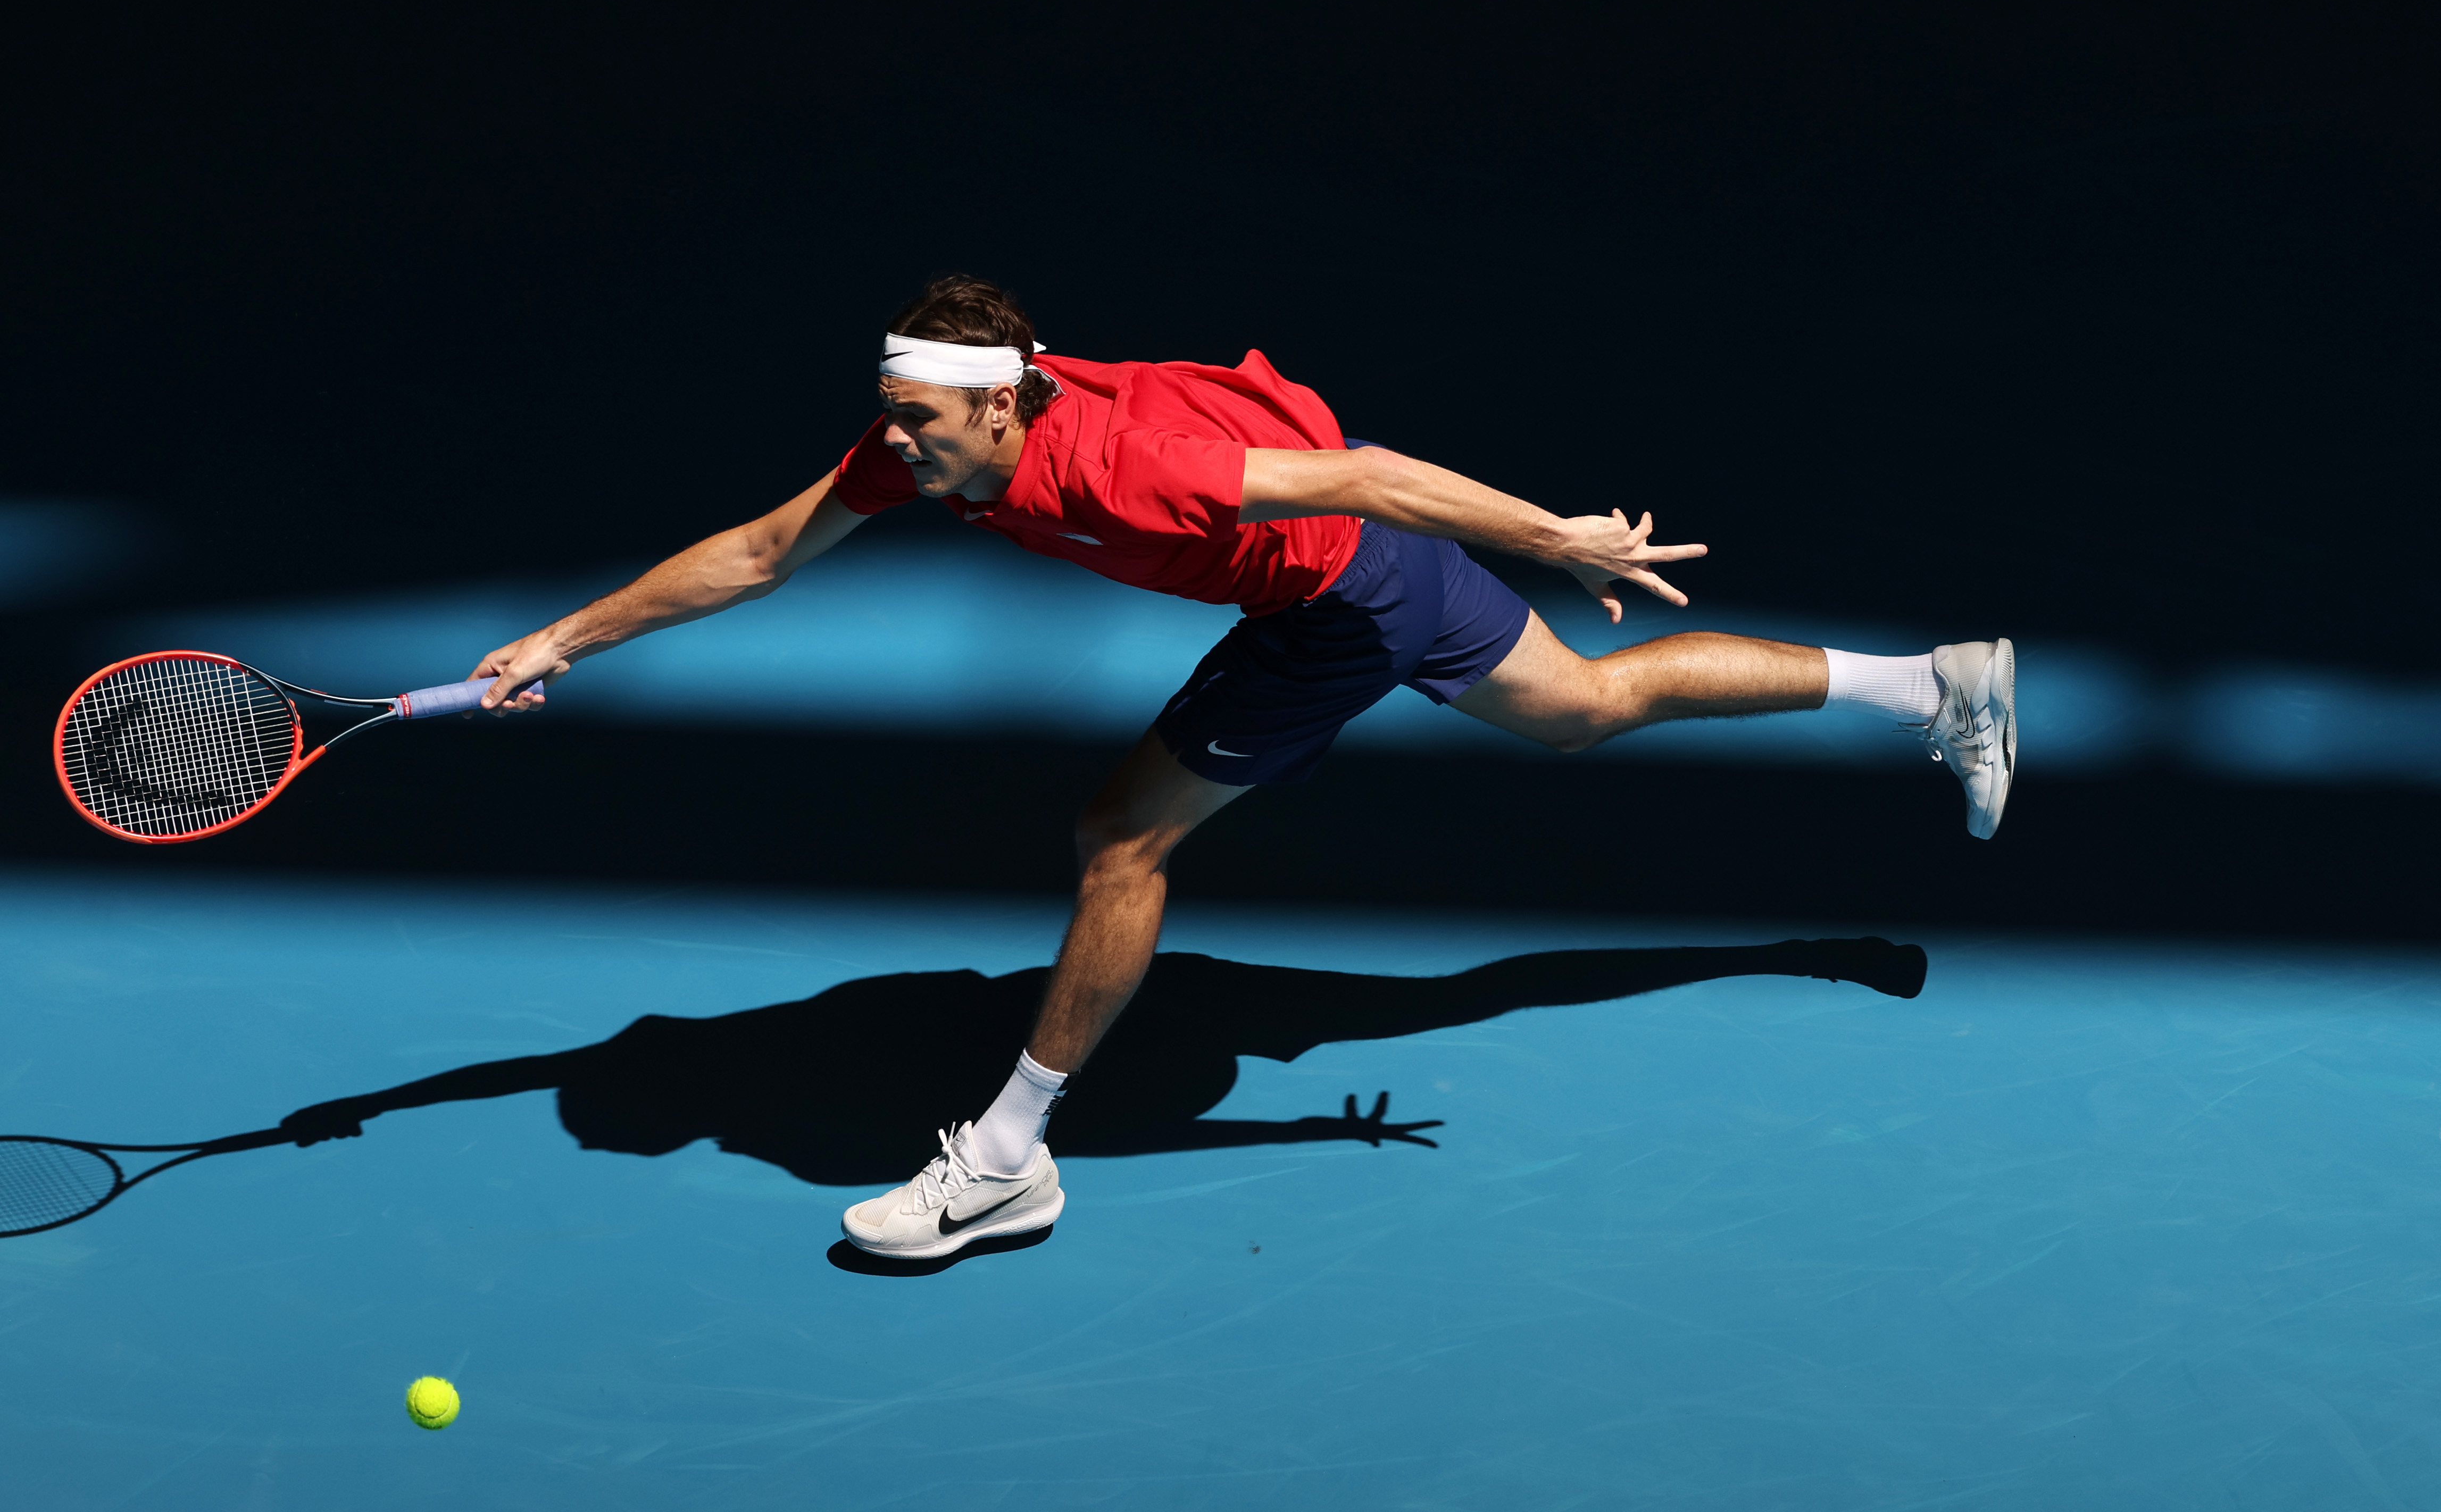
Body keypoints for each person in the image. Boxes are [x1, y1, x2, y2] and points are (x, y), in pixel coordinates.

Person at [468, 274, 2015, 1260]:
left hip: (1341, 591)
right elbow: (755, 549)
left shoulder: (1117, 462)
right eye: (889, 416)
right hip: (1379, 575)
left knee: (1120, 845)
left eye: (917, 420)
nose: (893, 443)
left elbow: (1360, 473)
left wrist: (1547, 535)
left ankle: (1007, 1157)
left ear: (999, 406)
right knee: (1581, 714)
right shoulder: (929, 441)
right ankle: (1925, 688)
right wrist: (566, 638)